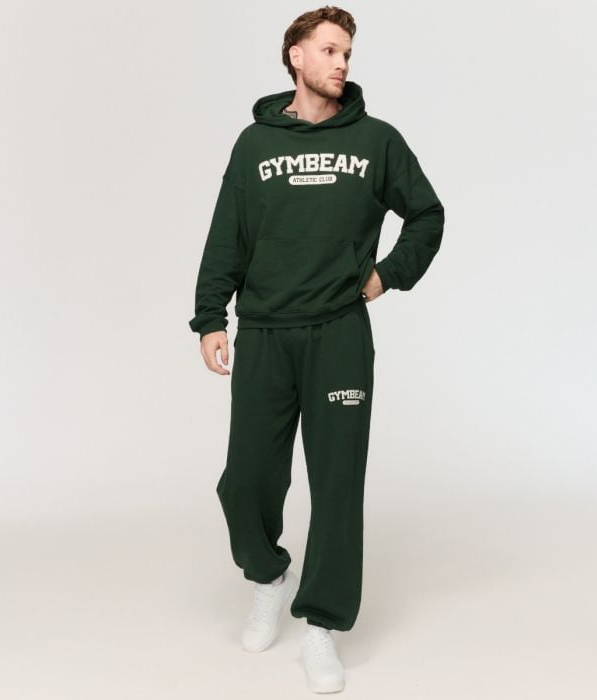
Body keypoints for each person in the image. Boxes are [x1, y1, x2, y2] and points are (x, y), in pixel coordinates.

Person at [189, 6, 444, 694]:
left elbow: (427, 213)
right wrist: (210, 317)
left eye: (348, 53)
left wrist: (387, 274)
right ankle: (269, 576)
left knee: (336, 483)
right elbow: (227, 235)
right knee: (245, 479)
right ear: (295, 56)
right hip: (266, 333)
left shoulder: (377, 140)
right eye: (329, 49)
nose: (342, 62)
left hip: (338, 334)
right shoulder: (254, 145)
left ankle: (322, 626)